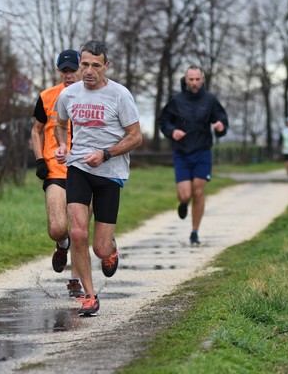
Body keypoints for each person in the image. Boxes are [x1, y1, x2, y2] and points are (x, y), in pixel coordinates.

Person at [54, 40, 142, 315]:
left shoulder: (120, 95)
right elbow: (59, 124)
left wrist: (106, 154)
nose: (89, 71)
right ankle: (89, 296)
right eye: (84, 65)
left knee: (100, 248)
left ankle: (111, 250)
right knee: (77, 232)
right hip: (79, 167)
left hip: (110, 173)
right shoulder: (69, 95)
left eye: (95, 65)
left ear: (106, 66)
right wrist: (61, 146)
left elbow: (136, 136)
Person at [31, 49, 84, 298]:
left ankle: (75, 280)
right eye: (64, 70)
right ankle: (61, 244)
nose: (68, 75)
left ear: (81, 69)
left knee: (79, 229)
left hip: (84, 168)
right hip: (55, 168)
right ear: (58, 71)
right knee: (57, 227)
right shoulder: (46, 97)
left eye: (72, 70)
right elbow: (36, 130)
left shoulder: (93, 96)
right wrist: (40, 159)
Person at [158, 65, 228, 246]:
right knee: (185, 194)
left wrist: (220, 127)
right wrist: (172, 131)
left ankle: (194, 232)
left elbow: (221, 119)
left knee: (198, 191)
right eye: (191, 80)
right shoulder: (176, 100)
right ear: (186, 80)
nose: (195, 83)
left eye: (197, 79)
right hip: (181, 153)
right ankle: (182, 203)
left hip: (202, 152)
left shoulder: (210, 99)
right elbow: (164, 121)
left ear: (202, 80)